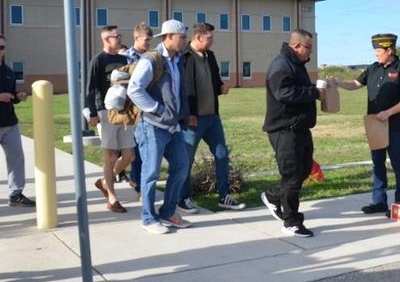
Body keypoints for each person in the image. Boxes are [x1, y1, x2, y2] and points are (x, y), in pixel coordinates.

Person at [335, 33, 400, 215]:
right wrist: (339, 82)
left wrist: (388, 112)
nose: (376, 54)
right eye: (376, 50)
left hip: (393, 125)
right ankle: (379, 201)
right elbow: (355, 84)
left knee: (397, 164)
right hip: (375, 126)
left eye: (379, 50)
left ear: (390, 50)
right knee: (377, 163)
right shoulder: (372, 68)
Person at [127, 19, 191, 234]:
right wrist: (157, 109)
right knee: (151, 172)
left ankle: (168, 212)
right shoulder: (151, 60)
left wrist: (181, 116)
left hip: (173, 126)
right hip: (152, 125)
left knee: (181, 167)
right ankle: (147, 218)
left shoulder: (178, 59)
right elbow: (134, 89)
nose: (185, 41)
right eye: (182, 37)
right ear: (170, 37)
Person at [260, 29, 325, 237]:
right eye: (309, 48)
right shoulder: (281, 65)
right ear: (296, 46)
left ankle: (272, 196)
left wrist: (315, 88)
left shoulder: (296, 65)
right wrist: (313, 92)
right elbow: (284, 92)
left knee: (304, 170)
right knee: (292, 176)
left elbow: (297, 89)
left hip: (300, 129)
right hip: (284, 130)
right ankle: (291, 222)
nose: (311, 53)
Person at [178, 22, 246, 213]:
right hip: (193, 119)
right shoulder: (184, 57)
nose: (212, 41)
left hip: (212, 118)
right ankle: (182, 198)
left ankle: (224, 196)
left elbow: (215, 82)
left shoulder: (210, 56)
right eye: (209, 38)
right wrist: (188, 114)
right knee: (186, 159)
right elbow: (183, 88)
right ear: (198, 37)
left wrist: (222, 87)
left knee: (222, 154)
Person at [87, 25, 135, 213]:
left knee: (129, 154)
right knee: (110, 155)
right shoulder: (98, 60)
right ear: (107, 40)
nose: (120, 38)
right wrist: (92, 113)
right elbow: (90, 88)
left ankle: (104, 181)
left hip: (124, 111)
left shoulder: (124, 59)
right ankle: (112, 198)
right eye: (116, 36)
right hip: (105, 111)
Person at [118, 22, 154, 192]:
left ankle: (137, 179)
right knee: (134, 147)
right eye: (146, 40)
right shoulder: (125, 57)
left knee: (143, 145)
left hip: (146, 107)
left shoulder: (152, 57)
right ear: (136, 38)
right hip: (131, 108)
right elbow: (119, 84)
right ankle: (135, 179)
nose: (148, 44)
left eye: (150, 40)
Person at [0, 34, 35, 207]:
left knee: (16, 159)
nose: (1, 50)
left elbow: (11, 95)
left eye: (2, 47)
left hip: (9, 123)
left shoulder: (7, 71)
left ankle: (16, 194)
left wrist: (18, 96)